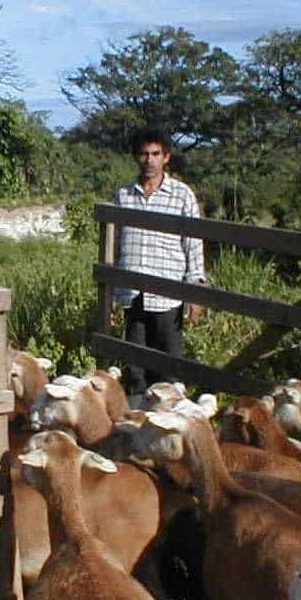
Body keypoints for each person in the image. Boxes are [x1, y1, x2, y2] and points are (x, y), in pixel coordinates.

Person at [112, 127, 207, 405]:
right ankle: (138, 422)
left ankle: (171, 423)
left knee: (169, 366)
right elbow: (115, 242)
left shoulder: (181, 195)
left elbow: (194, 242)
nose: (149, 160)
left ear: (166, 157)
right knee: (135, 367)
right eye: (144, 154)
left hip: (168, 293)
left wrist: (195, 288)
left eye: (156, 154)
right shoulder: (124, 195)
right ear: (135, 157)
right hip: (132, 293)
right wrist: (112, 290)